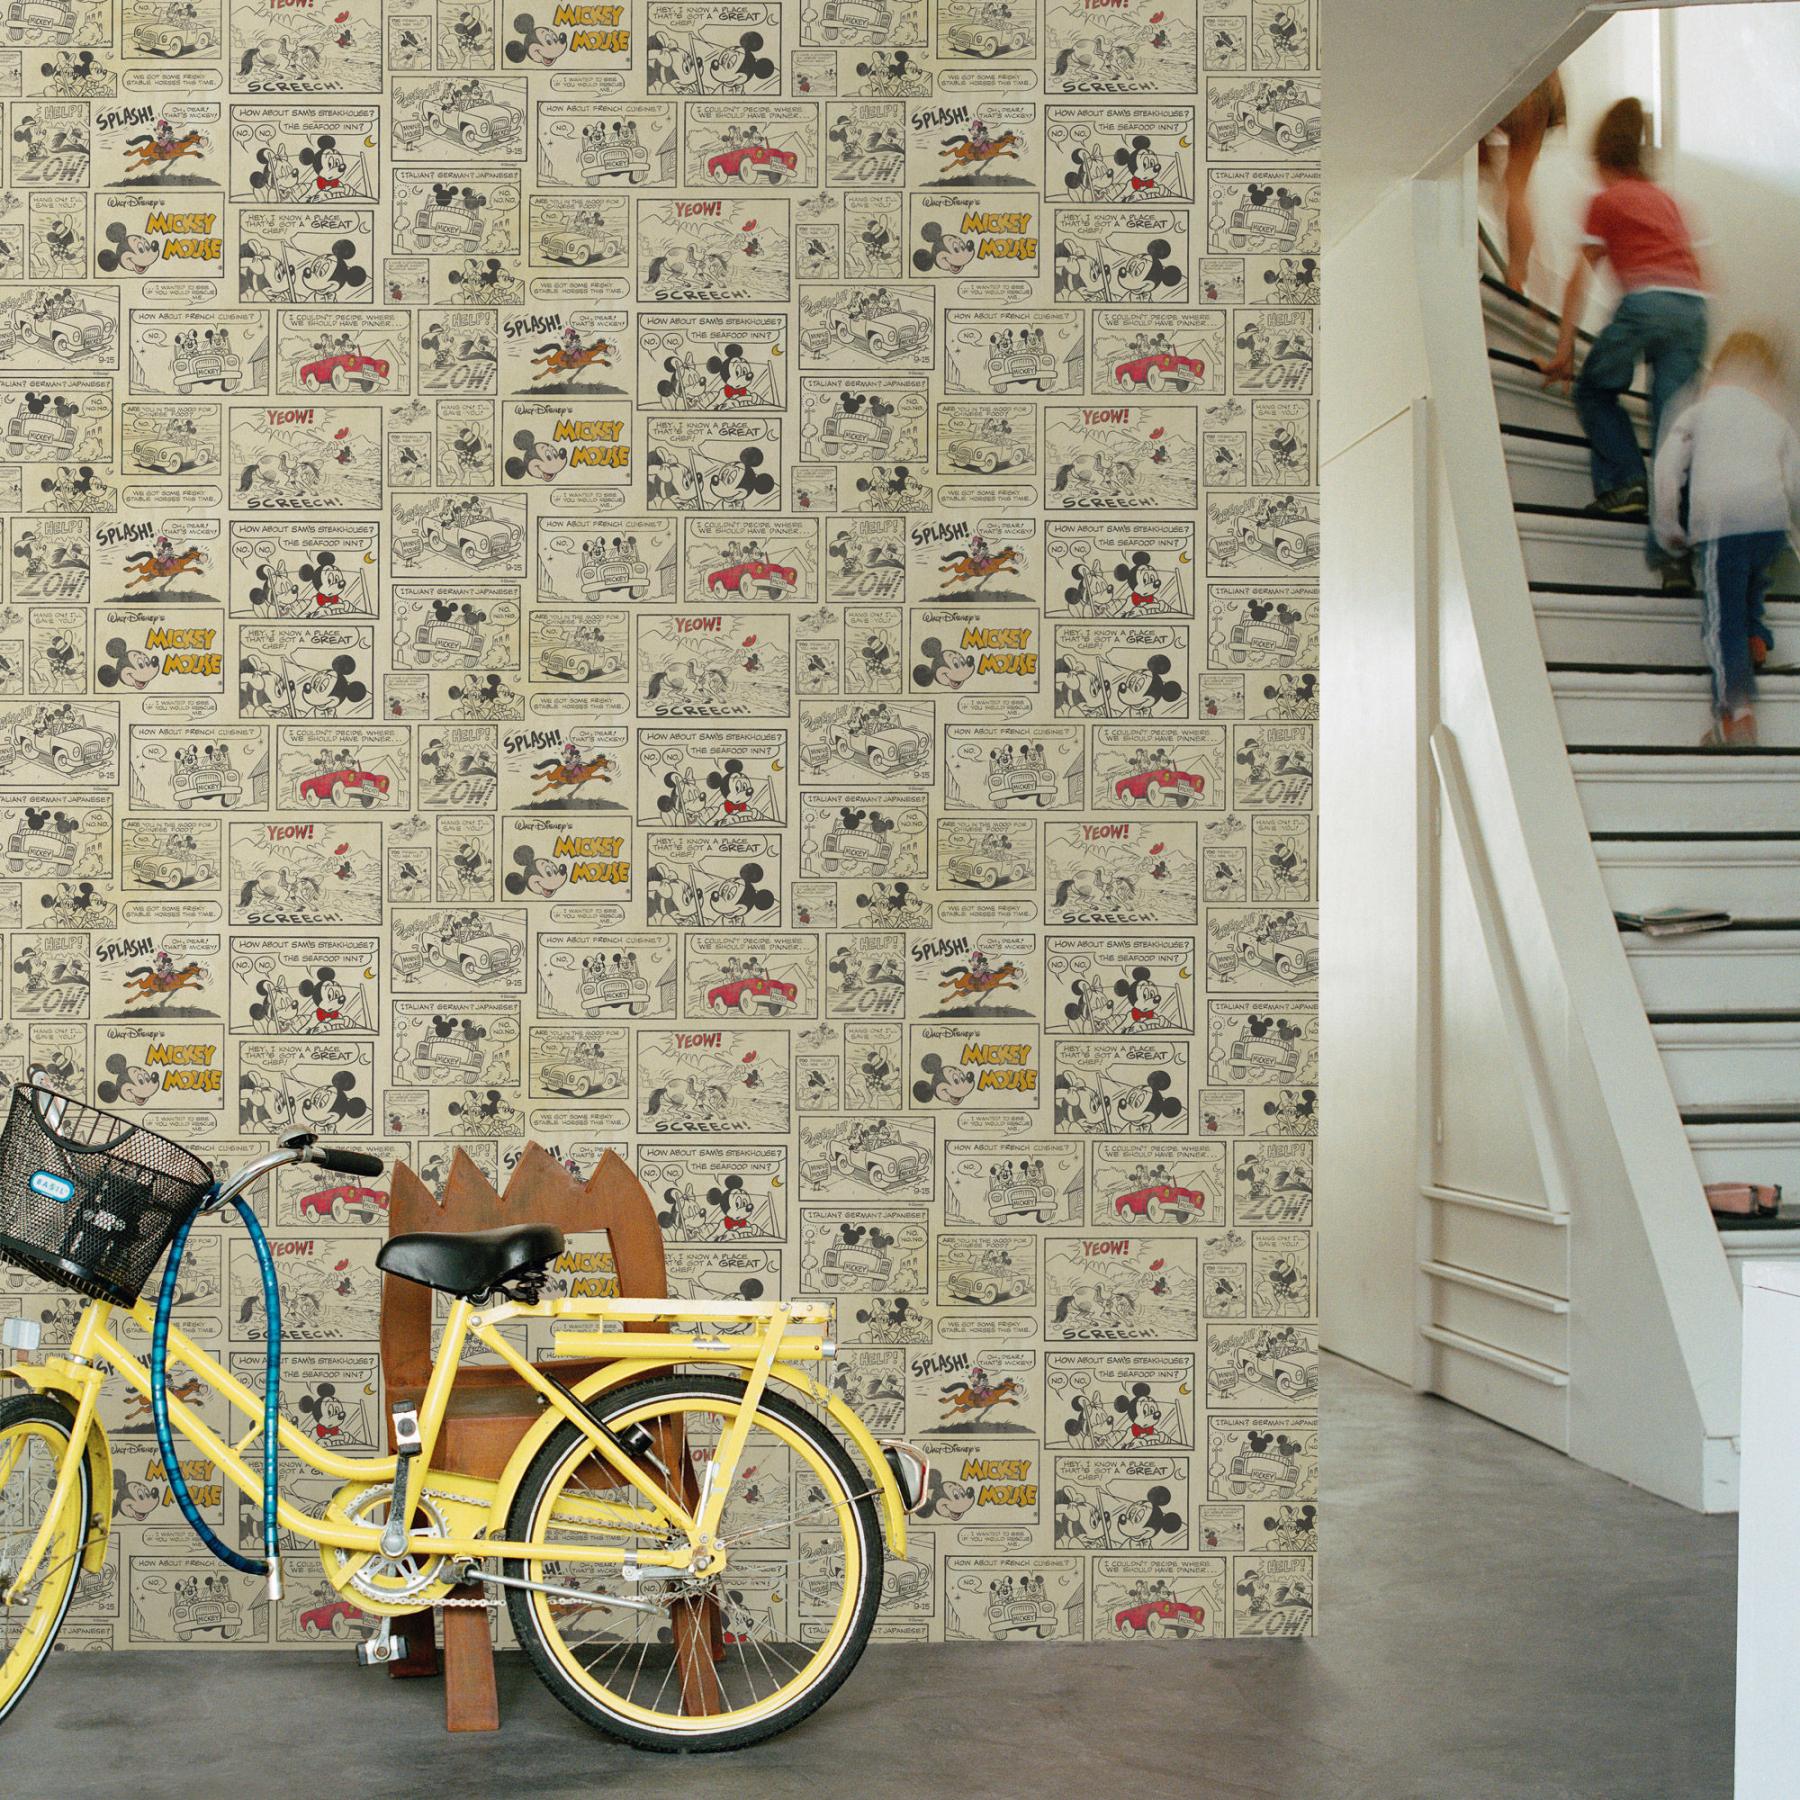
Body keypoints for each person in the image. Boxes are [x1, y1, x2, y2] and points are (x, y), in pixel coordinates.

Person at [1539, 97, 1707, 539]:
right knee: (1671, 420)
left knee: (1594, 391)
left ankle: (1627, 483)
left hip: (1647, 303)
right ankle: (1679, 521)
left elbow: (1579, 280)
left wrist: (1563, 351)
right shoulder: (1664, 200)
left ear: (1602, 157)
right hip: (1693, 308)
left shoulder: (1607, 200)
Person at [1652, 329, 1800, 747]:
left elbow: (1667, 471)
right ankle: (1757, 639)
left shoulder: (1698, 413)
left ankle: (1736, 715)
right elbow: (1795, 481)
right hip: (1770, 525)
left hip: (1723, 525)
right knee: (1754, 584)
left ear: (1716, 371)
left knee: (1722, 620)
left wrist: (1669, 527)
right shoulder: (1774, 420)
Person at [1479, 69, 1566, 291]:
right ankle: (1520, 273)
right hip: (1541, 81)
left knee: (1505, 186)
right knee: (1516, 186)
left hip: (1505, 78)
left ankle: (1519, 274)